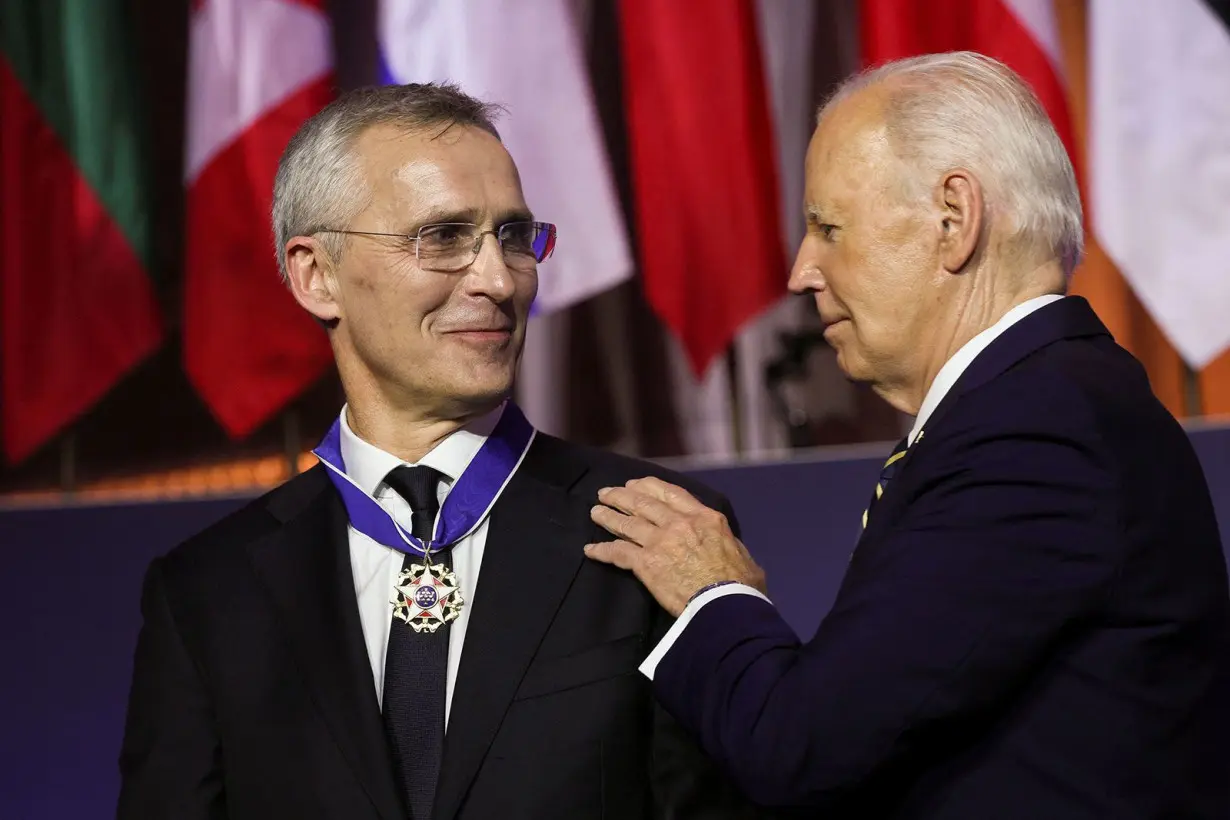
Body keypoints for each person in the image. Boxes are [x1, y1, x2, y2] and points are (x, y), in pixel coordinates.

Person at [585, 52, 1230, 818]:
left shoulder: (1036, 433)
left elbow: (805, 748)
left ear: (953, 219)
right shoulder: (1042, 408)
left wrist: (711, 592)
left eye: (829, 227)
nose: (801, 272)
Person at [117, 83, 764, 820]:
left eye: (514, 238)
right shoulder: (207, 594)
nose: (497, 280)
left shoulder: (655, 531)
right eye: (444, 237)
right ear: (314, 274)